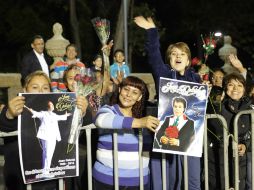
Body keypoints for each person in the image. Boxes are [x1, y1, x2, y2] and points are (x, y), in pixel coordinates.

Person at [134, 16, 201, 190]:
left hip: (190, 138)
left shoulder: (196, 79)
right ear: (169, 59)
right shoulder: (163, 74)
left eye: (182, 54)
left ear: (188, 60)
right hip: (167, 135)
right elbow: (154, 55)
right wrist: (151, 31)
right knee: (168, 179)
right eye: (174, 54)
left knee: (192, 180)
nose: (178, 57)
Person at [0, 71, 87, 190]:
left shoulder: (55, 108)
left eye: (45, 87)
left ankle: (47, 170)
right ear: (25, 89)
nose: (41, 91)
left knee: (49, 154)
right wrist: (9, 114)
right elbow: (4, 124)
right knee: (46, 153)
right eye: (35, 87)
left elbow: (75, 120)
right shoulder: (15, 108)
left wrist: (81, 111)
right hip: (24, 181)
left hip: (53, 183)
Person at [92, 76, 160, 190]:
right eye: (126, 89)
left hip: (138, 182)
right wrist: (139, 123)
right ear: (119, 90)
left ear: (139, 97)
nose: (128, 95)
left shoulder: (145, 120)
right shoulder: (108, 110)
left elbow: (146, 153)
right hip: (107, 180)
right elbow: (100, 119)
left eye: (134, 92)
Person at [206, 72, 251, 190]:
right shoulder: (219, 104)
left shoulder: (249, 108)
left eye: (240, 85)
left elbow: (251, 132)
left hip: (240, 160)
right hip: (218, 157)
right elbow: (215, 126)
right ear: (225, 88)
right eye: (231, 85)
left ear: (245, 89)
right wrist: (215, 103)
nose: (235, 88)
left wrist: (245, 145)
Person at [26, 101, 71, 176]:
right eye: (51, 105)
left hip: (52, 136)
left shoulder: (54, 115)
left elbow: (60, 117)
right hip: (46, 136)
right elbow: (37, 114)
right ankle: (46, 172)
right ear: (48, 107)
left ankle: (45, 171)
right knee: (48, 154)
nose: (53, 106)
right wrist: (32, 110)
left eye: (53, 105)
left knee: (47, 154)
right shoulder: (44, 113)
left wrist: (66, 115)